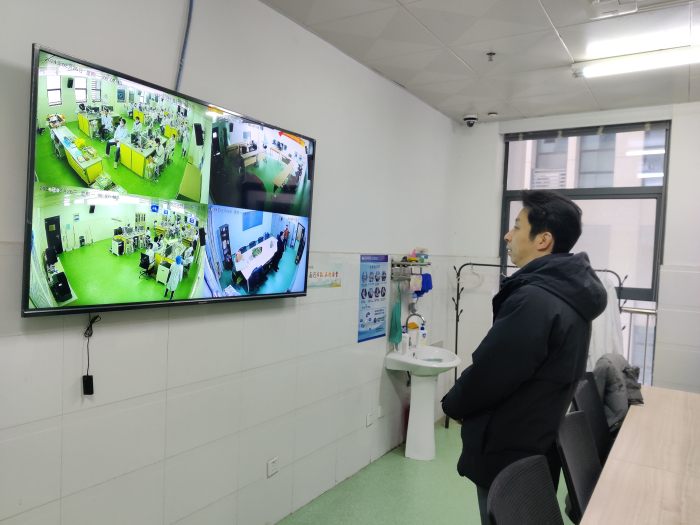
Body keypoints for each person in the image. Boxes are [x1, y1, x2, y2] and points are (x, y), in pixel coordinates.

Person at [440, 190, 607, 525]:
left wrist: (454, 405)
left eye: (517, 227)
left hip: (507, 448)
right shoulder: (569, 293)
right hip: (537, 441)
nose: (508, 235)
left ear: (543, 240)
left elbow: (493, 371)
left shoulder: (535, 299)